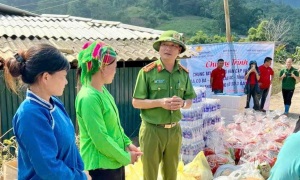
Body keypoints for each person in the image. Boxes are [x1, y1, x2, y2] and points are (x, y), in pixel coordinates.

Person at [3, 44, 90, 179]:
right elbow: (48, 168)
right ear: (46, 77)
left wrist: (81, 171)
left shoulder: (55, 104)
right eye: (63, 76)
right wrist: (80, 177)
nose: (66, 82)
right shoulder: (30, 115)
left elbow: (71, 147)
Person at [132, 30, 197, 180]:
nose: (168, 49)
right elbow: (136, 102)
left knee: (171, 173)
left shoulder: (183, 74)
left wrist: (182, 103)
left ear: (179, 50)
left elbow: (189, 101)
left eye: (173, 46)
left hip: (174, 131)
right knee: (150, 174)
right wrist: (160, 103)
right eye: (164, 45)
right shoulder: (147, 72)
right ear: (159, 48)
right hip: (152, 130)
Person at [75, 41, 142, 180]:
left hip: (113, 161)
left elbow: (116, 126)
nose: (116, 71)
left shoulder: (102, 91)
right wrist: (125, 157)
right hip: (102, 167)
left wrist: (127, 144)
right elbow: (101, 139)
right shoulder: (89, 98)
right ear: (102, 67)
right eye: (115, 66)